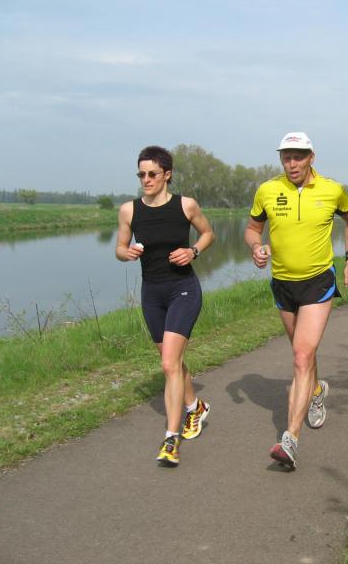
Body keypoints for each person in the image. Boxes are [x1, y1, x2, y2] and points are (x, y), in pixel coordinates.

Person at [245, 132, 348, 470]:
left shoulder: (332, 190)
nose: (292, 163)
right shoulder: (267, 190)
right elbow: (252, 228)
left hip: (318, 282)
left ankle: (290, 440)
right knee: (303, 354)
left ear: (311, 157)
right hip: (283, 284)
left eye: (298, 156)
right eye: (286, 157)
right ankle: (316, 391)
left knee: (301, 356)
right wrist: (256, 247)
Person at [116, 146, 215, 467]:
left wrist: (193, 251)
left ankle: (171, 439)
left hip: (183, 289)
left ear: (167, 175)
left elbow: (208, 233)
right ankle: (196, 407)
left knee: (170, 363)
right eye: (141, 174)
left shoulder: (186, 205)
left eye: (152, 174)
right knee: (171, 362)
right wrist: (126, 253)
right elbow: (119, 247)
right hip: (152, 293)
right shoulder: (129, 210)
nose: (145, 179)